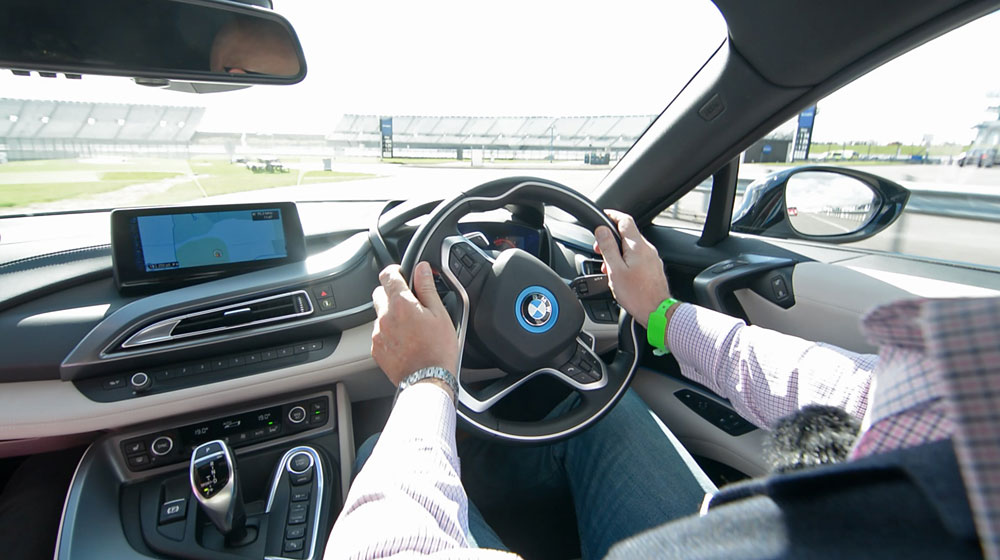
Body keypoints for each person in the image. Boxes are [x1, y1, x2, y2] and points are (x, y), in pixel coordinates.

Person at [325, 210, 988, 559]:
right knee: (603, 412)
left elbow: (383, 548)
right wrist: (659, 313)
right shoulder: (963, 401)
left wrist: (426, 380)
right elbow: (843, 386)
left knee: (386, 444)